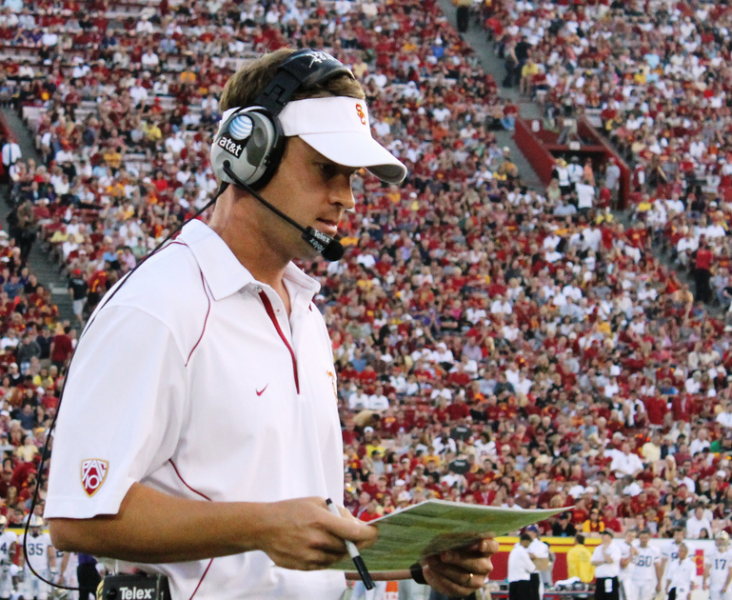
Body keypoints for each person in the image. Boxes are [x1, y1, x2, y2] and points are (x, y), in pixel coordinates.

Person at [43, 48, 497, 600]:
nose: (346, 199)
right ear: (250, 155)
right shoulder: (158, 306)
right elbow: (78, 517)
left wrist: (419, 566)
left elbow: (287, 545)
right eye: (326, 169)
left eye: (352, 177)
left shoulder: (304, 313)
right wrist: (262, 525)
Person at [19, 515, 57, 600]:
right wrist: (20, 569)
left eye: (36, 527)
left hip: (42, 570)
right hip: (29, 570)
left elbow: (51, 556)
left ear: (41, 527)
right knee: (27, 595)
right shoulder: (25, 537)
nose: (35, 529)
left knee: (43, 595)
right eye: (33, 527)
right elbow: (22, 556)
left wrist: (53, 570)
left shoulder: (46, 538)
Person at [627, 529, 662, 600]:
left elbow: (657, 567)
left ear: (649, 538)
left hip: (648, 580)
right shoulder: (633, 548)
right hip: (634, 579)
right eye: (642, 538)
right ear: (639, 538)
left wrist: (659, 582)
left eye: (645, 538)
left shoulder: (654, 550)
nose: (643, 540)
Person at [591, 530, 621, 600]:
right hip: (600, 578)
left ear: (609, 537)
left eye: (604, 535)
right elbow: (593, 562)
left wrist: (604, 551)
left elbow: (610, 560)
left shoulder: (615, 548)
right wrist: (603, 561)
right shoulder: (598, 548)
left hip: (610, 578)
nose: (602, 537)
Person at [704, 532, 732, 600]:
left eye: (722, 540)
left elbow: (730, 571)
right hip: (714, 584)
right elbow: (707, 568)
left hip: (727, 584)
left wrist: (726, 585)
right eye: (718, 540)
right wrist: (704, 581)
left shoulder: (730, 554)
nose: (719, 542)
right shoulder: (712, 552)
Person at [508, 533, 536, 600]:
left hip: (512, 582)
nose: (529, 545)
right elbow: (531, 568)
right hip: (522, 583)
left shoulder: (513, 551)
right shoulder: (522, 552)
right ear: (525, 541)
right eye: (529, 543)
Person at [0, 516, 17, 600]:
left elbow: (12, 550)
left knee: (5, 591)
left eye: (0, 525)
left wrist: (9, 562)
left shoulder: (9, 536)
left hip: (4, 565)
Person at [617, 529, 637, 599]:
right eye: (629, 536)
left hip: (632, 578)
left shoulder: (634, 547)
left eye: (633, 536)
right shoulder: (620, 546)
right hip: (623, 577)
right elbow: (623, 565)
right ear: (625, 535)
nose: (631, 538)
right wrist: (631, 555)